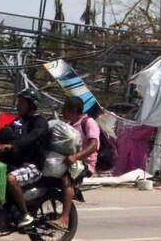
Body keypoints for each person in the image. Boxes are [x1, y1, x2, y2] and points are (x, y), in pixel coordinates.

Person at [0, 88, 49, 227]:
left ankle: (24, 214)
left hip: (32, 165)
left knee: (11, 179)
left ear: (32, 106)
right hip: (16, 164)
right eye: (18, 102)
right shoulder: (17, 122)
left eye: (22, 103)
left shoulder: (39, 122)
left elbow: (31, 138)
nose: (18, 105)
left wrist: (11, 146)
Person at [53, 96, 100, 230]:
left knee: (66, 178)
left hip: (84, 163)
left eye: (64, 109)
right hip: (68, 162)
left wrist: (76, 157)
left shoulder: (88, 122)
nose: (62, 112)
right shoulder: (68, 126)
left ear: (73, 109)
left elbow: (94, 145)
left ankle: (65, 218)